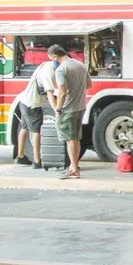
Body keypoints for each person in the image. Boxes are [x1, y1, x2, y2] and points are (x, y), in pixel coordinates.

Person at [49, 45, 92, 180]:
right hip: (80, 106)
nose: (52, 62)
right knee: (76, 138)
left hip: (68, 109)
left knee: (70, 139)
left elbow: (62, 90)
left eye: (51, 59)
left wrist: (58, 108)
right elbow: (89, 84)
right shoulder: (80, 65)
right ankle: (75, 166)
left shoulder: (61, 69)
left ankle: (73, 168)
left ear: (55, 56)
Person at [14, 57, 59, 169]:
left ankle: (20, 156)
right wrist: (57, 110)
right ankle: (37, 160)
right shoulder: (49, 72)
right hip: (32, 104)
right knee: (36, 131)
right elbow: (49, 93)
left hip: (23, 101)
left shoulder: (45, 65)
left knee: (24, 128)